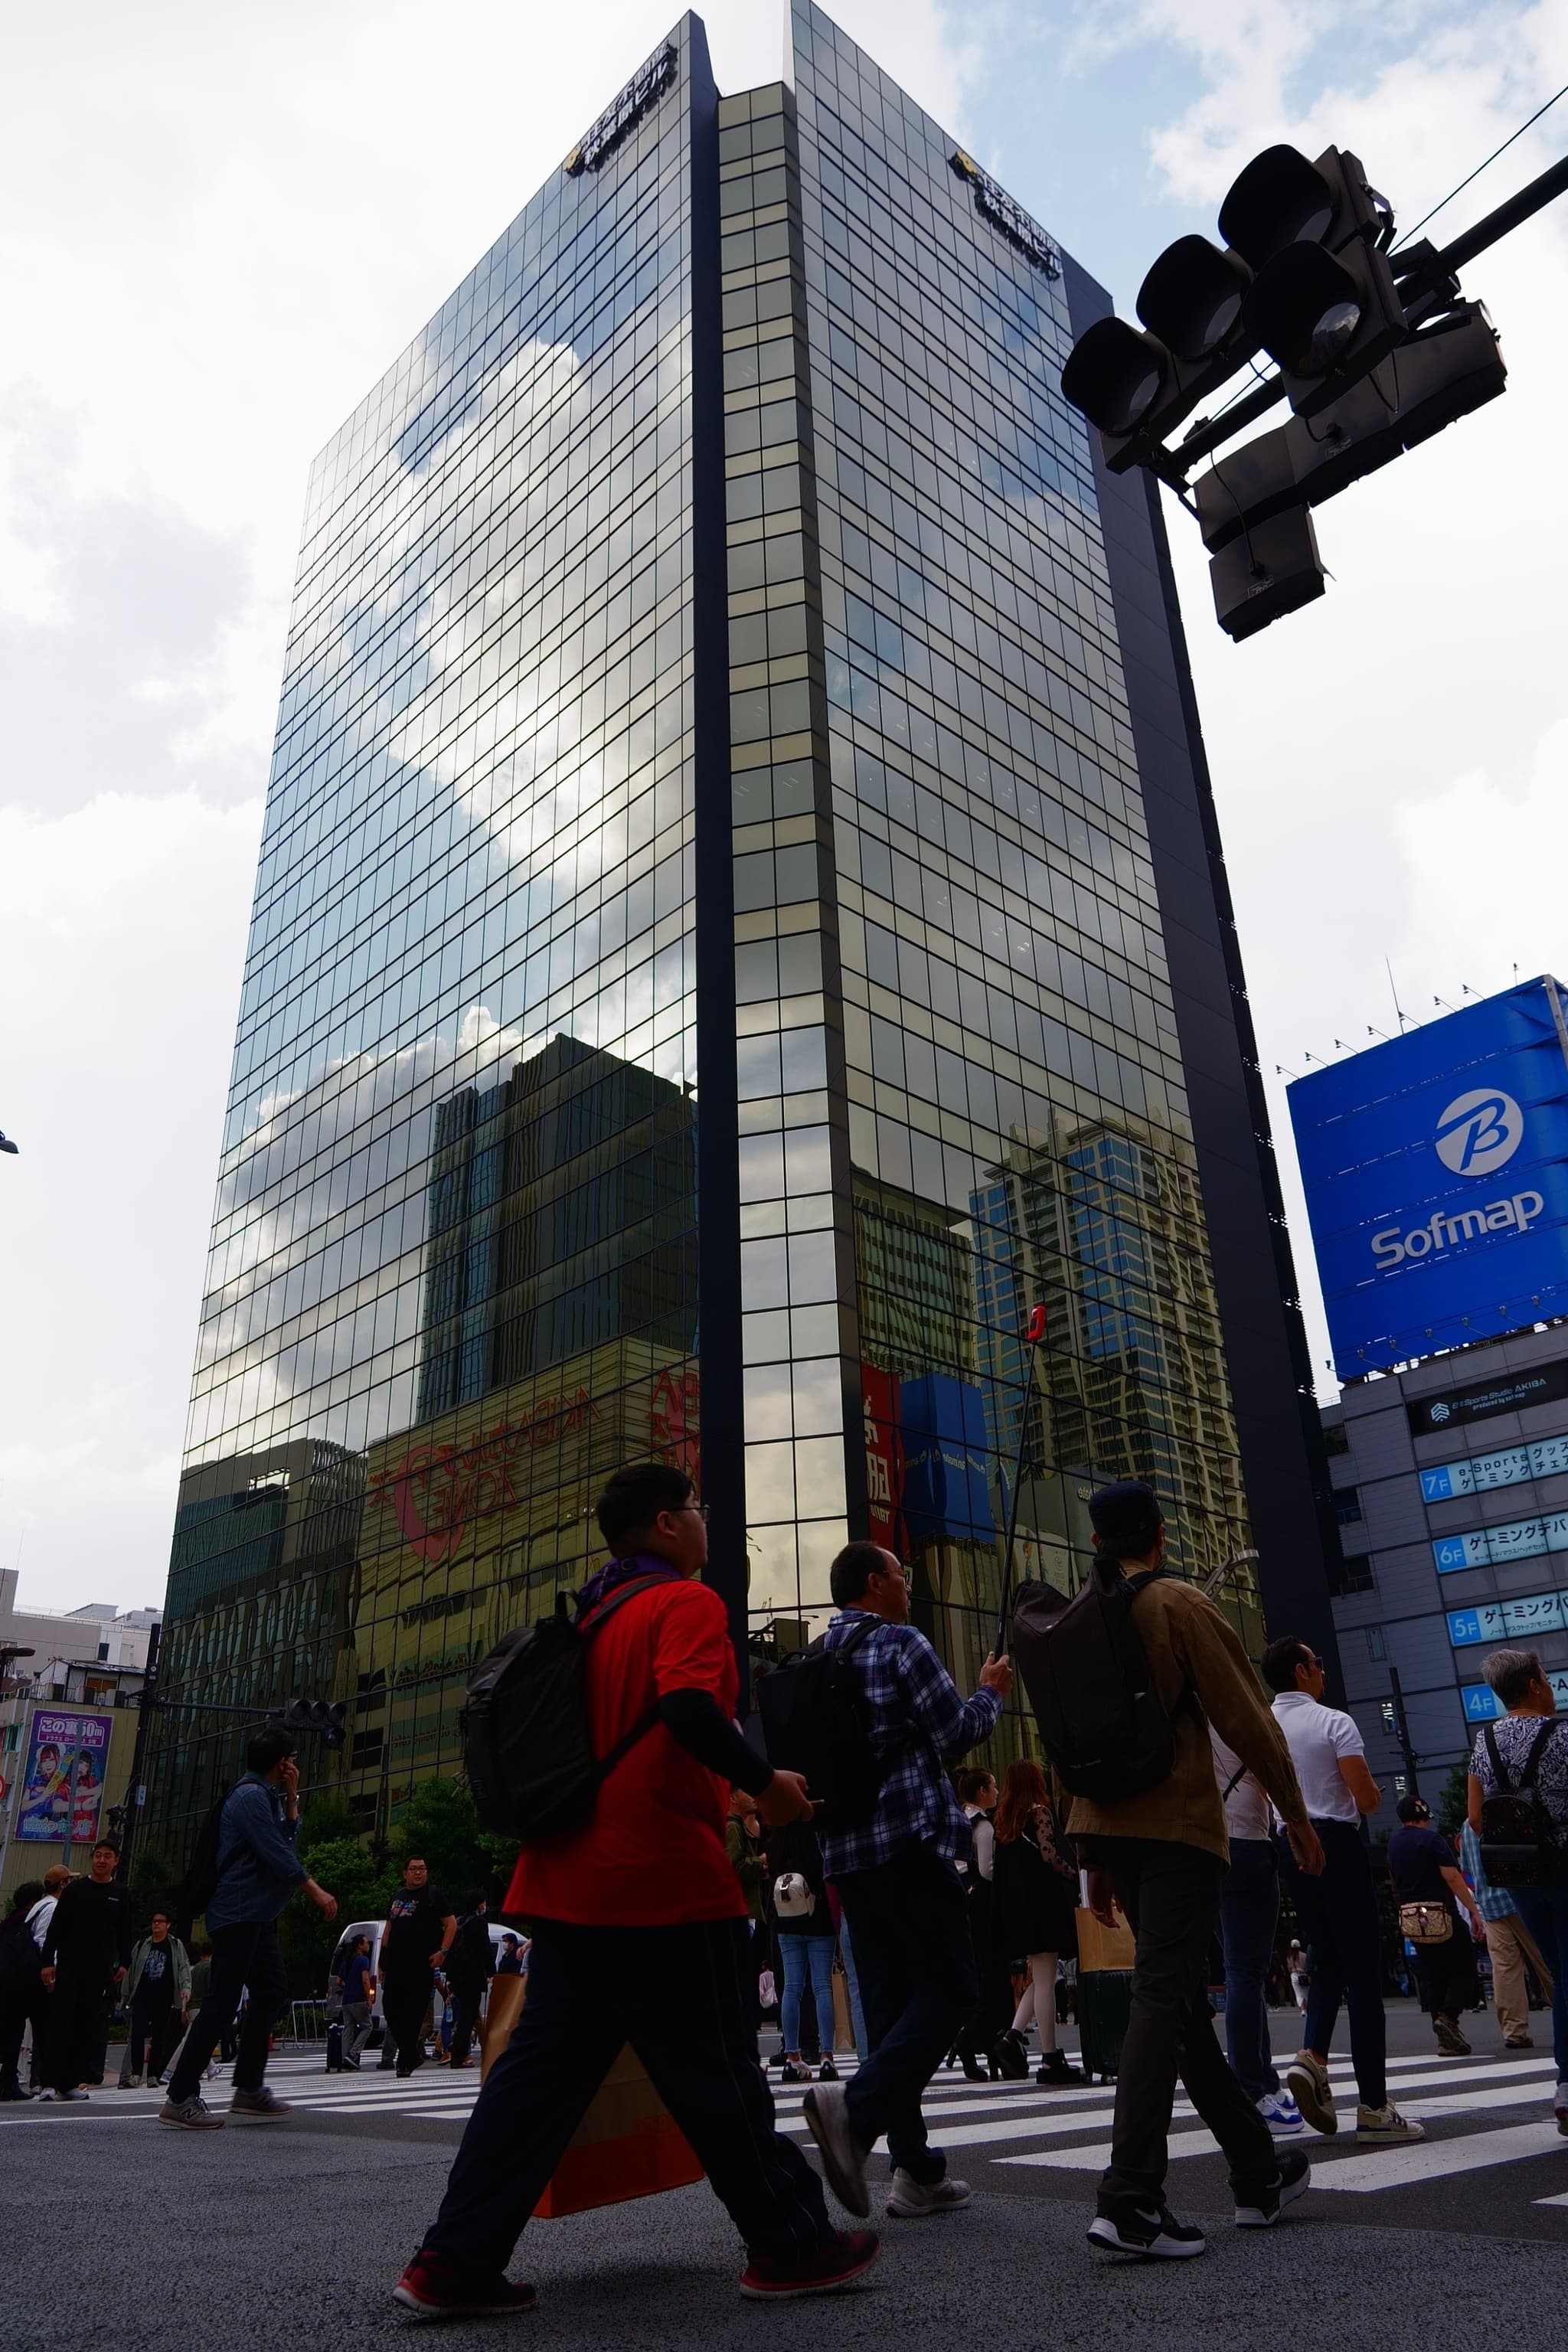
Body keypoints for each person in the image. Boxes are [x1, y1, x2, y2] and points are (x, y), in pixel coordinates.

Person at [395, 1460, 877, 2318]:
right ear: (664, 1523)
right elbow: (689, 1709)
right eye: (695, 1507)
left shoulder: (594, 1614)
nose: (703, 1520)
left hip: (567, 1881)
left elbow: (638, 1739)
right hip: (660, 1884)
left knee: (534, 2088)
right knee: (718, 2076)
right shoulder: (685, 1604)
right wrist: (764, 1785)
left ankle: (452, 2261)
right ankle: (790, 2246)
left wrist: (732, 1785)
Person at [1064, 1482, 1325, 2261]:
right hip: (1176, 1827)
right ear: (1158, 1533)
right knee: (1161, 1994)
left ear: (1096, 1541)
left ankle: (1254, 2173)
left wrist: (1089, 1853)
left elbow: (1068, 1736)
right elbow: (1243, 1714)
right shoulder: (1175, 1602)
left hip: (1109, 1828)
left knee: (1178, 2007)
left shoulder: (1081, 1614)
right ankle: (1130, 2197)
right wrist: (1296, 1815)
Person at [799, 1537, 1009, 2224]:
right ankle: (854, 2117)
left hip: (846, 1859)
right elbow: (953, 1734)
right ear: (871, 1583)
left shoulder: (817, 1657)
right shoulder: (899, 1643)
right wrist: (991, 1693)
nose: (908, 1585)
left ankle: (916, 2170)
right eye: (901, 1574)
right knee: (951, 1991)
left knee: (890, 2010)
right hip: (910, 1845)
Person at [1266, 1635, 1423, 2149]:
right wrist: (1374, 1793)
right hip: (1335, 1840)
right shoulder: (1334, 1721)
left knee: (1325, 1954)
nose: (1323, 1671)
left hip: (1289, 1842)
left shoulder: (1262, 1725)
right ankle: (1375, 2105)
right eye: (1316, 1663)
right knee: (1361, 1968)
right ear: (1301, 1671)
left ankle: (1313, 2057)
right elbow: (1367, 1798)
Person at [160, 1723, 338, 2128]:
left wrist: (293, 1800)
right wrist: (314, 1889)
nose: (294, 1765)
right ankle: (180, 2096)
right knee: (222, 2002)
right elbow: (276, 1852)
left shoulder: (265, 1796)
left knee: (271, 1991)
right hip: (239, 1912)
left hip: (258, 1914)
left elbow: (283, 1841)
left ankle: (249, 2088)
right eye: (291, 1759)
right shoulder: (250, 1797)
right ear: (282, 1762)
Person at [1466, 1645, 1568, 2138]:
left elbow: (1475, 1817)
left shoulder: (1483, 1742)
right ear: (1533, 1685)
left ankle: (1567, 2085)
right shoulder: (1563, 1735)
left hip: (1522, 1877)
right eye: (1547, 1679)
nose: (1550, 1687)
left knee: (1560, 1974)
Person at [1210, 1727, 1303, 2137]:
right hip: (1245, 1842)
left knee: (1239, 1970)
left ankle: (1261, 2078)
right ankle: (1252, 2088)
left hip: (1203, 1847)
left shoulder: (1181, 1711)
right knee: (1245, 1973)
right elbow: (1275, 1777)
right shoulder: (1235, 1710)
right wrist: (1302, 1832)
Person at [992, 1758, 1083, 2087]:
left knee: (1041, 1975)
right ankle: (1049, 2058)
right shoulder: (1039, 1812)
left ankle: (1012, 2036)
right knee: (1046, 1980)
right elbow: (1050, 1855)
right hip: (1043, 1907)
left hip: (1018, 1912)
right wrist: (1075, 1874)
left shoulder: (1005, 1821)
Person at [38, 1840, 132, 2099]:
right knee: (60, 2022)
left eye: (108, 1856)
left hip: (100, 1970)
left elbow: (125, 1930)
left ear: (116, 1861)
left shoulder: (121, 1893)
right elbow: (55, 1929)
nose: (102, 1860)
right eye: (98, 1855)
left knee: (85, 2026)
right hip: (70, 1966)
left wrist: (125, 1962)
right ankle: (47, 2082)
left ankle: (69, 2083)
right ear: (92, 1859)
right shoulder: (76, 1890)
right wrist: (48, 1962)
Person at [1459, 1811, 1553, 2048]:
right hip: (1522, 1897)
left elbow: (1467, 1869)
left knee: (1505, 1969)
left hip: (1490, 1905)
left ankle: (1514, 2030)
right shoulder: (1513, 1813)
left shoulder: (1467, 1826)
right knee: (1549, 1960)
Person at [768, 1818, 840, 2084]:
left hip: (785, 1920)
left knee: (791, 1987)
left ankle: (792, 2056)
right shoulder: (817, 1838)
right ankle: (827, 2057)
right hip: (817, 1917)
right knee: (822, 1986)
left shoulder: (776, 1841)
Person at [380, 1857, 456, 2078]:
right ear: (405, 1873)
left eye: (422, 1868)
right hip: (395, 1964)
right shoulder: (398, 1897)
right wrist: (382, 1962)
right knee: (390, 2008)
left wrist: (443, 1952)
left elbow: (451, 1924)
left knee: (414, 2014)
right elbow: (388, 1929)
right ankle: (410, 2054)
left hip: (421, 1964)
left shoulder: (433, 1895)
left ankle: (404, 2062)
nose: (418, 1873)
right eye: (413, 1869)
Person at [953, 1768, 1004, 2081]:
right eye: (994, 1786)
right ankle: (975, 2038)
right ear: (982, 1791)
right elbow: (987, 1870)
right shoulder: (983, 1825)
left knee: (974, 1973)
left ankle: (975, 2038)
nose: (997, 1791)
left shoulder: (958, 1818)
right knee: (991, 1974)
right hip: (980, 1902)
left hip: (958, 1895)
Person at [120, 1909, 191, 2086]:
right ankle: (136, 2074)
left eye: (160, 1921)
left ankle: (153, 2074)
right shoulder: (142, 1945)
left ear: (168, 1925)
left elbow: (183, 1967)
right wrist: (125, 1995)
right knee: (138, 2033)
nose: (156, 1925)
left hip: (164, 1997)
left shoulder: (175, 1945)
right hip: (142, 1996)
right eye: (154, 1921)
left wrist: (185, 1988)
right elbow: (132, 1971)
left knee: (159, 2036)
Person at [0, 1881, 46, 2100]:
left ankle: (7, 2082)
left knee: (10, 2033)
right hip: (19, 1986)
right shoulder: (29, 1922)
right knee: (15, 2035)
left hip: (5, 1984)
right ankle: (8, 2083)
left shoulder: (7, 1922)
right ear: (33, 1902)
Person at [445, 1895, 495, 2069]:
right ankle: (458, 2053)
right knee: (469, 2015)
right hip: (473, 1975)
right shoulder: (479, 1923)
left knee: (466, 2014)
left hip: (458, 1976)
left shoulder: (459, 1921)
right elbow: (485, 1949)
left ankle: (456, 2050)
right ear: (479, 1904)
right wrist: (491, 1971)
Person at [340, 1932, 377, 2069]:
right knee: (367, 2026)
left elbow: (339, 1981)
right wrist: (369, 1998)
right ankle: (353, 2054)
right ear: (360, 1946)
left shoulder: (348, 1960)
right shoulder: (363, 1960)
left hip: (346, 2000)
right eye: (366, 1943)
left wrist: (349, 1986)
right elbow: (366, 1980)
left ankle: (345, 2058)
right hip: (358, 1999)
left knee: (348, 2029)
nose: (368, 1945)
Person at [1287, 1939, 1310, 2012]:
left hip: (1294, 1975)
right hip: (1303, 1975)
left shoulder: (1289, 1957)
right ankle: (1305, 2007)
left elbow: (1289, 1969)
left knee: (1298, 1993)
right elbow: (1307, 1966)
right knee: (1305, 1993)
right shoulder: (1304, 1956)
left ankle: (1302, 2008)